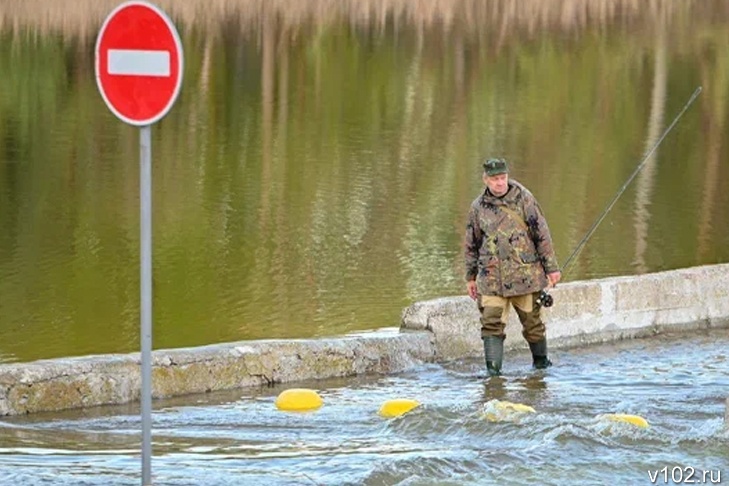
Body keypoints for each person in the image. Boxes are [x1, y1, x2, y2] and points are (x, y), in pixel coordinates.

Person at [464, 158, 561, 376]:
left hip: (525, 277)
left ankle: (541, 365)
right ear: (486, 180)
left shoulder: (525, 199)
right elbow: (471, 244)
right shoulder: (477, 207)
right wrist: (470, 277)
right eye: (495, 179)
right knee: (490, 325)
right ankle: (493, 374)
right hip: (490, 280)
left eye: (503, 178)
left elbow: (542, 235)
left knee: (533, 324)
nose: (500, 183)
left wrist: (551, 268)